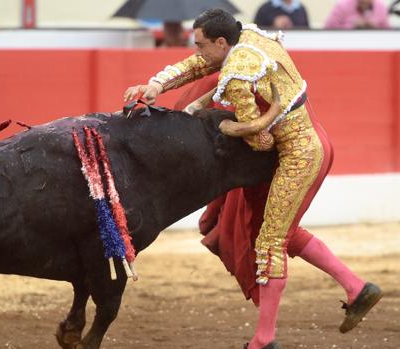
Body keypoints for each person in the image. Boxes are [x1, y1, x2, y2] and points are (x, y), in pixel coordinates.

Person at [123, 9, 382, 349]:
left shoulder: (236, 75)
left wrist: (224, 124)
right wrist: (156, 84)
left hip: (296, 156)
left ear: (220, 41)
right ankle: (356, 288)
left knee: (270, 242)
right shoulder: (247, 36)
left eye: (201, 44)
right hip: (306, 141)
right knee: (281, 234)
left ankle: (264, 340)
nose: (197, 50)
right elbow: (201, 64)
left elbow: (261, 140)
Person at [325, 0, 391, 29]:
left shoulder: (381, 7)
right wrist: (352, 26)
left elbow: (388, 31)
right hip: (346, 46)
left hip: (374, 46)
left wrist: (375, 27)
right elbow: (329, 27)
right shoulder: (342, 5)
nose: (364, 1)